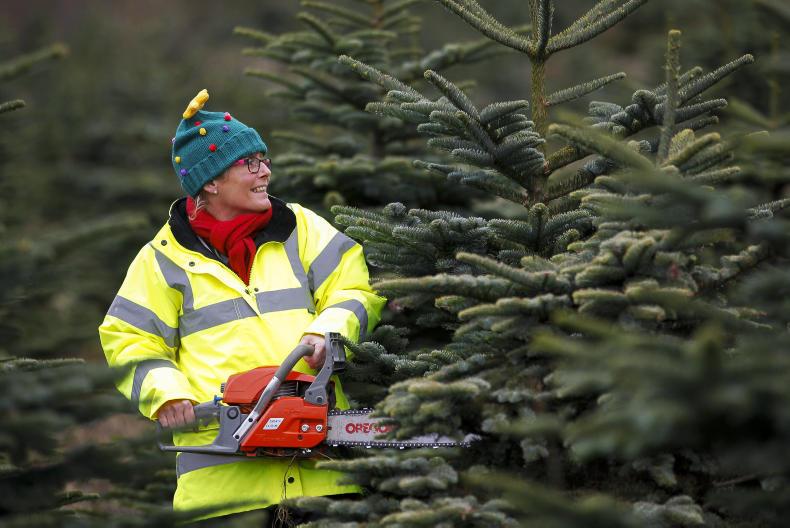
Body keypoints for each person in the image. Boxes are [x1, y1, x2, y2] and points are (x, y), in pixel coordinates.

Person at [99, 89, 386, 522]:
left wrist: (328, 330)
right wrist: (166, 394)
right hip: (223, 491)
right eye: (249, 163)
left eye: (264, 160)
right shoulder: (162, 259)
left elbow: (356, 288)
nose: (265, 171)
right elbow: (128, 338)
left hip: (322, 474)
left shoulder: (300, 228)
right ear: (210, 181)